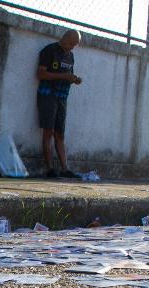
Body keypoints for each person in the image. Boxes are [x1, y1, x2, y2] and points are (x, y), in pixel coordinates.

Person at [37, 30, 83, 179]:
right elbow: (40, 74)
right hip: (48, 95)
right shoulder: (49, 51)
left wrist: (74, 79)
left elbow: (68, 74)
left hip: (62, 97)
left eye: (74, 45)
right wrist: (63, 76)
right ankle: (50, 169)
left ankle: (65, 169)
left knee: (60, 134)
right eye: (70, 43)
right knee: (48, 131)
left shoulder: (70, 56)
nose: (71, 47)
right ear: (64, 37)